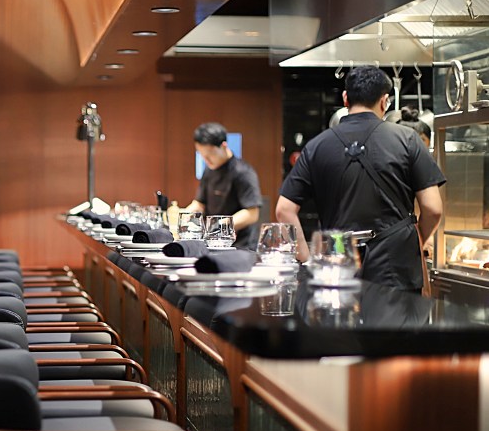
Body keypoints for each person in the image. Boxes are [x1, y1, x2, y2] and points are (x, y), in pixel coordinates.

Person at [276, 65, 445, 292]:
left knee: (342, 312)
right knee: (395, 315)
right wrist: (411, 244)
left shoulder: (316, 146)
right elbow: (433, 209)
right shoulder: (408, 139)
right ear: (384, 101)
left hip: (338, 263)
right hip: (395, 269)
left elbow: (284, 210)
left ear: (345, 99)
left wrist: (307, 261)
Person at [183, 122, 262, 250]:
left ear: (223, 146)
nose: (206, 160)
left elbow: (252, 213)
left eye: (210, 155)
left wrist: (218, 226)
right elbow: (199, 204)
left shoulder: (242, 172)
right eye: (202, 155)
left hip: (241, 245)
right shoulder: (209, 170)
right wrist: (183, 216)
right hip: (215, 242)